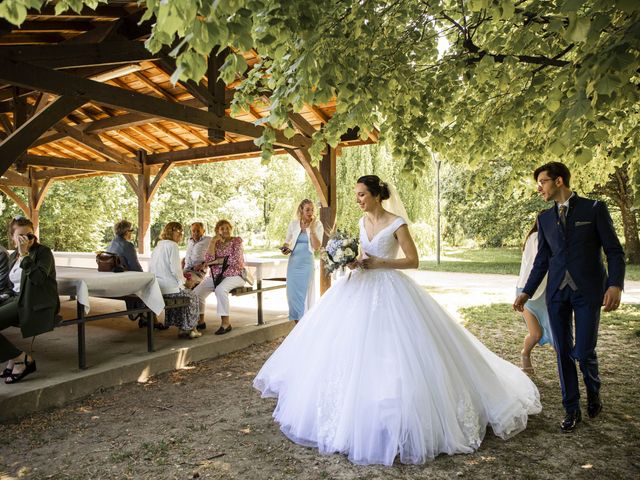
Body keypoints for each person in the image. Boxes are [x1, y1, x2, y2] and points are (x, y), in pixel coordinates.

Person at [254, 175, 541, 466]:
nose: (358, 200)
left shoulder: (396, 223)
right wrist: (352, 260)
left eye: (362, 194)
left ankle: (401, 411)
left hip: (390, 288)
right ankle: (359, 413)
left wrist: (381, 263)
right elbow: (363, 252)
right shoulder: (360, 222)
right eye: (356, 195)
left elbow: (413, 260)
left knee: (397, 349)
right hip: (359, 287)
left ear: (377, 195)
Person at [514, 162, 625, 432]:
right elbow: (541, 261)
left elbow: (614, 251)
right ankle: (571, 408)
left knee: (584, 351)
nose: (539, 187)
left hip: (588, 291)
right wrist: (526, 292)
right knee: (562, 351)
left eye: (543, 181)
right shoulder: (544, 219)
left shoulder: (594, 209)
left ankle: (593, 389)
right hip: (557, 294)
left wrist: (615, 285)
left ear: (559, 181)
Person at [0, 217, 59, 384]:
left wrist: (25, 254)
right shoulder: (13, 256)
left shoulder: (43, 252)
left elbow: (38, 278)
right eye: (20, 236)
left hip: (34, 302)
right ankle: (14, 358)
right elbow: (9, 285)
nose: (26, 240)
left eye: (29, 235)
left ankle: (22, 359)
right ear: (12, 238)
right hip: (15, 299)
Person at [149, 222, 201, 339]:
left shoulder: (159, 245)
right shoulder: (172, 245)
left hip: (158, 286)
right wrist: (185, 284)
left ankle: (183, 328)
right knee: (193, 297)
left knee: (185, 296)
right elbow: (175, 269)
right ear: (170, 232)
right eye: (178, 231)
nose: (180, 234)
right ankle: (192, 329)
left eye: (181, 232)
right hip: (170, 288)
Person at [193, 219, 245, 335]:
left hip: (235, 274)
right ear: (217, 231)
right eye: (222, 228)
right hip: (216, 276)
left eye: (227, 228)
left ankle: (226, 323)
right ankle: (200, 320)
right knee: (196, 293)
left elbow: (235, 260)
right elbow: (208, 260)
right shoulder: (215, 243)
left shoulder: (236, 241)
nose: (225, 230)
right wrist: (212, 243)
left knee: (220, 290)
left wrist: (216, 261)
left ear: (231, 229)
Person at [516, 216, 553, 374]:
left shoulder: (552, 237)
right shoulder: (534, 238)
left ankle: (565, 369)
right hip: (526, 290)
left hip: (547, 291)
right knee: (536, 334)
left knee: (556, 333)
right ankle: (525, 354)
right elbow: (538, 264)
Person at [281, 199, 324, 322]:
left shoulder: (317, 224)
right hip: (293, 263)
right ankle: (296, 324)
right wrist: (285, 248)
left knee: (305, 295)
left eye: (312, 210)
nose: (310, 212)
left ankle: (304, 324)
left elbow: (316, 247)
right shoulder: (294, 224)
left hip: (306, 264)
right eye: (307, 210)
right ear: (301, 210)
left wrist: (312, 230)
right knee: (292, 295)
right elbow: (287, 241)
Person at [181, 222, 211, 289]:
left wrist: (204, 264)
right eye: (193, 231)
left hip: (197, 272)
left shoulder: (208, 240)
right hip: (186, 269)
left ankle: (186, 298)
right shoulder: (189, 241)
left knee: (187, 281)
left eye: (198, 231)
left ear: (203, 231)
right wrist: (184, 259)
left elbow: (215, 255)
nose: (195, 233)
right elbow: (191, 254)